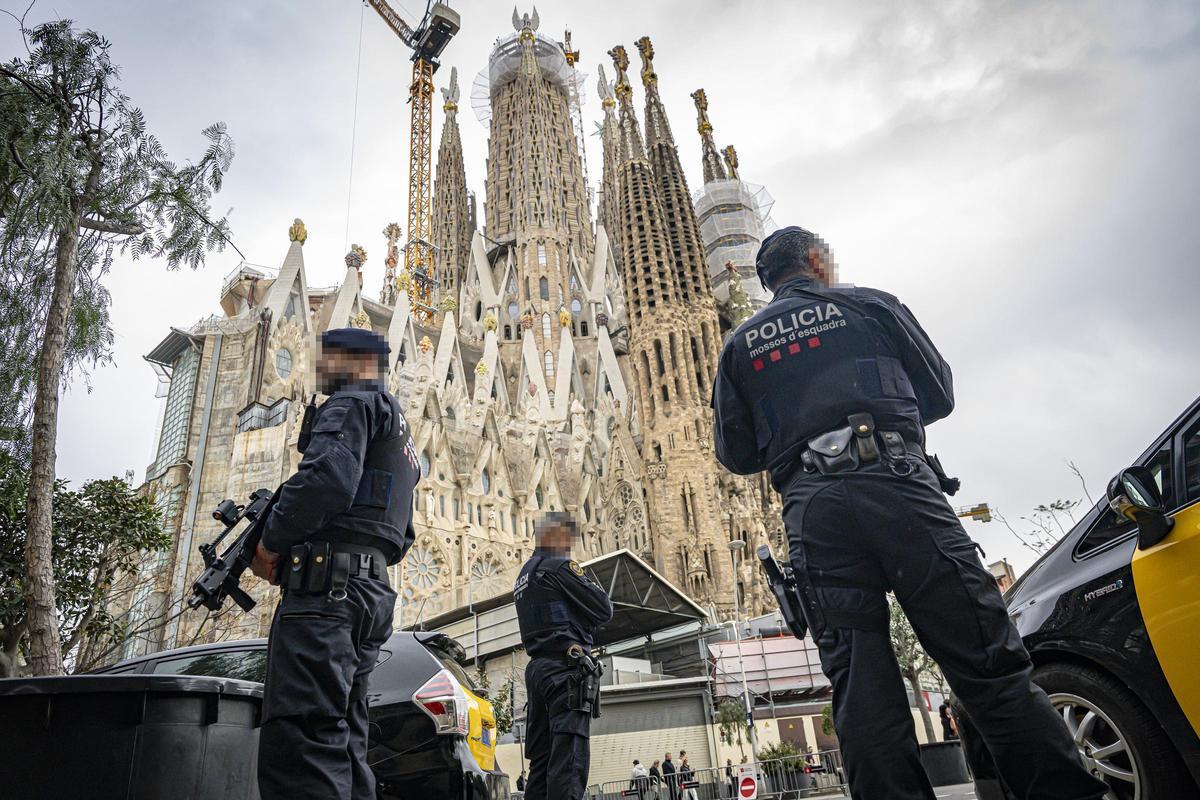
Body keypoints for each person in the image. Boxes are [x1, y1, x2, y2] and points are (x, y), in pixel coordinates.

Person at [711, 227, 1109, 800]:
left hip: (813, 510)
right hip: (896, 482)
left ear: (766, 280)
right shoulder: (870, 305)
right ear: (818, 262)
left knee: (862, 692)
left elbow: (736, 453)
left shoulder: (740, 347)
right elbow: (940, 392)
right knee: (988, 665)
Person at [250, 327, 420, 800]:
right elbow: (402, 532)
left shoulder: (352, 402)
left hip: (327, 595)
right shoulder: (401, 434)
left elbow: (326, 478)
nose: (319, 368)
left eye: (328, 358)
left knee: (303, 744)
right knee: (346, 745)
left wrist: (271, 542)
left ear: (360, 361)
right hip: (369, 594)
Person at [514, 512, 614, 800]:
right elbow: (603, 608)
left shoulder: (524, 575)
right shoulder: (560, 567)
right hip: (565, 668)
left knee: (542, 761)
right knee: (568, 760)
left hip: (538, 670)